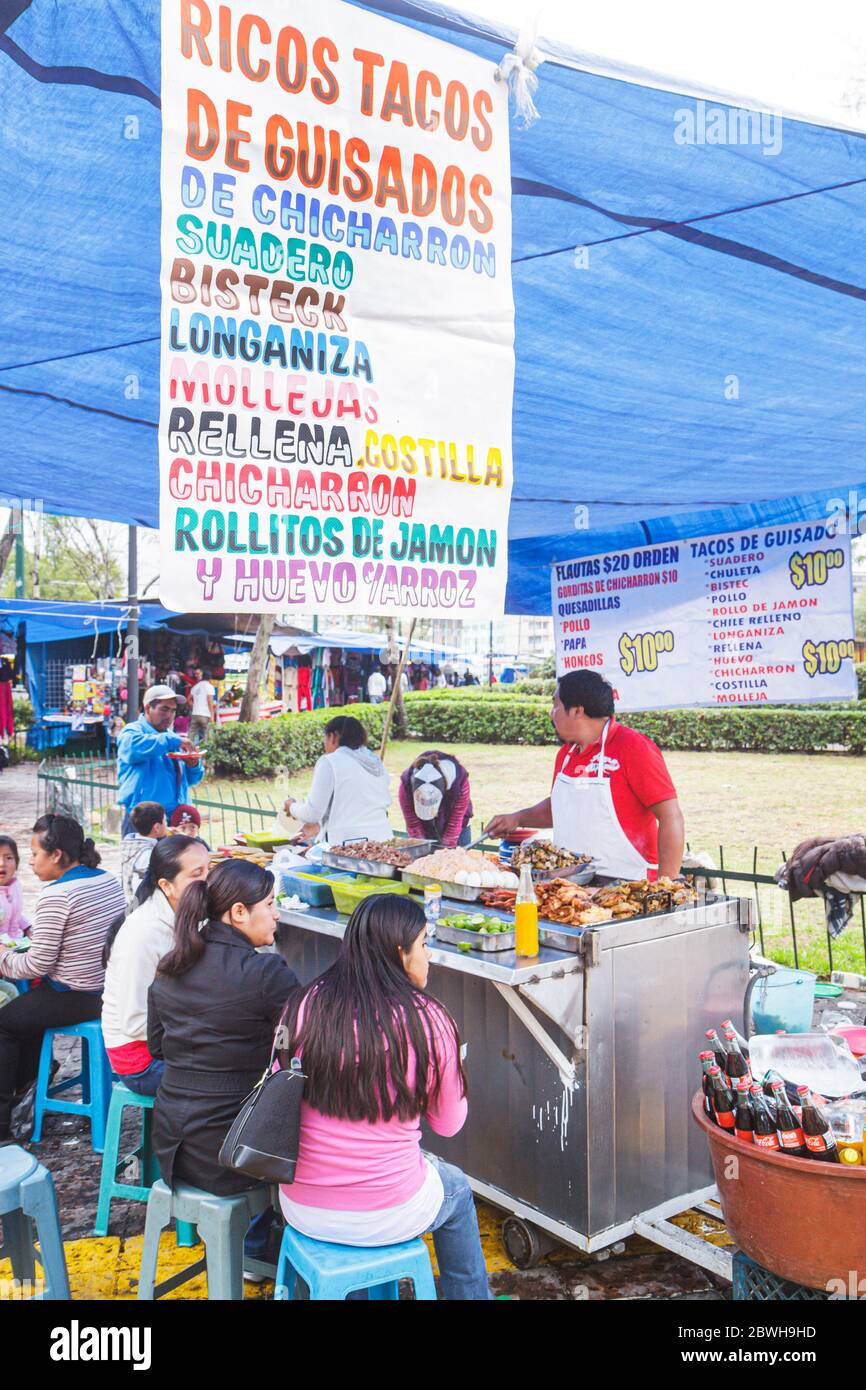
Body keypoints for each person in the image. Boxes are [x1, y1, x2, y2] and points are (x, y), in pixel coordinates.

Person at [278, 894, 490, 1300]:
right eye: (425, 944)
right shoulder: (429, 1020)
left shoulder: (303, 1004)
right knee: (457, 1188)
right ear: (400, 952)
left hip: (301, 1206)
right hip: (389, 1211)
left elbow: (281, 1096)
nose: (429, 956)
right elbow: (448, 1125)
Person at [147, 860, 298, 1198]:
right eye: (271, 904)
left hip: (173, 1146)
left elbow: (157, 1047)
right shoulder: (264, 973)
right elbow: (304, 1044)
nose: (276, 915)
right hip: (233, 1152)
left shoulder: (171, 965)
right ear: (239, 912)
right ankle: (264, 1238)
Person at [487, 670, 684, 880]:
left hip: (630, 885)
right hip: (571, 884)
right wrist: (517, 818)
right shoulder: (566, 754)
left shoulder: (633, 747)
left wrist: (666, 886)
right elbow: (562, 810)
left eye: (556, 704)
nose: (551, 713)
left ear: (577, 710)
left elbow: (671, 817)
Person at [0, 815, 126, 1141]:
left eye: (34, 854)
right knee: (25, 1016)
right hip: (109, 988)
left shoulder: (58, 895)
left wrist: (2, 956)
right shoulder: (107, 879)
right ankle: (28, 1098)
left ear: (56, 855)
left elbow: (36, 966)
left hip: (77, 994)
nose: (30, 863)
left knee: (5, 1023)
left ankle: (3, 1122)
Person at [102, 835, 209, 1096]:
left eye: (209, 870)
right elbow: (135, 1022)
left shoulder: (185, 914)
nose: (209, 882)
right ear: (167, 885)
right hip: (141, 1060)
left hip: (170, 1041)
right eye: (197, 874)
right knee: (234, 1076)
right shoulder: (144, 934)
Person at [283, 715, 391, 846]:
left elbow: (312, 814)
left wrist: (291, 806)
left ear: (333, 737)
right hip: (384, 842)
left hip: (348, 847)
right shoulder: (376, 763)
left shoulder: (330, 762)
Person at [116, 684, 204, 833]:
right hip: (143, 819)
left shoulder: (173, 738)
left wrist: (193, 764)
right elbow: (134, 747)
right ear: (148, 708)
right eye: (164, 709)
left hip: (176, 818)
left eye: (173, 710)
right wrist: (173, 740)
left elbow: (192, 779)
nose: (169, 715)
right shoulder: (132, 732)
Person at [399, 751, 474, 848]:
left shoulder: (460, 782)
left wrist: (447, 850)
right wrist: (421, 849)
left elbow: (455, 821)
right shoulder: (406, 785)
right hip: (423, 826)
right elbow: (413, 824)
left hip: (457, 825)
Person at [120, 800, 167, 905]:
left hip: (127, 898)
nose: (167, 824)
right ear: (157, 828)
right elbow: (146, 885)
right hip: (139, 904)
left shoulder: (130, 840)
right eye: (165, 821)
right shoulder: (147, 854)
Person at [0, 836, 28, 941]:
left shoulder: (15, 885)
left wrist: (28, 928)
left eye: (8, 858)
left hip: (16, 944)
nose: (2, 864)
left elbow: (14, 914)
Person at [188, 668, 216, 744]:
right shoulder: (209, 686)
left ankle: (187, 751)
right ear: (209, 678)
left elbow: (188, 699)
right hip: (205, 714)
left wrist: (194, 707)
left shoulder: (195, 686)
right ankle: (208, 753)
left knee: (191, 735)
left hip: (195, 714)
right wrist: (212, 715)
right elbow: (210, 701)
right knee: (208, 736)